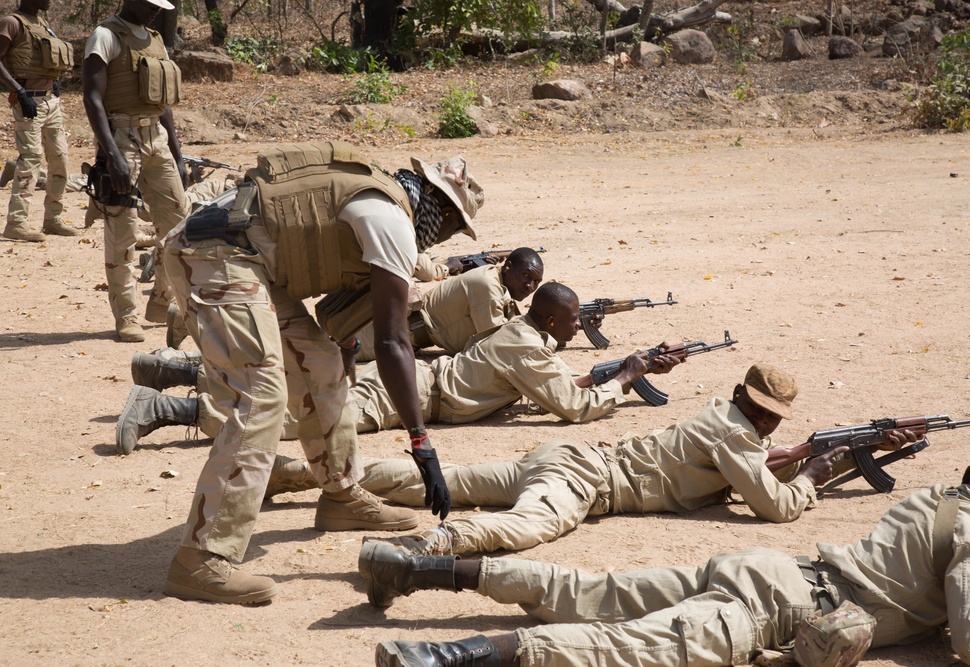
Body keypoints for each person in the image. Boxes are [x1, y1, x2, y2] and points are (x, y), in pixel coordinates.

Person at [158, 141, 483, 605]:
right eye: (453, 229)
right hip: (212, 254)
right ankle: (201, 559)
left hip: (247, 259)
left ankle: (340, 493)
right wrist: (420, 441)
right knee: (262, 396)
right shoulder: (392, 220)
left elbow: (331, 269)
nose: (445, 239)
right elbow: (393, 342)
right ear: (446, 215)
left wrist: (346, 343)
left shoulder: (382, 198)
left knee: (322, 362)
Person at [361, 439, 970, 667]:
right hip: (784, 609)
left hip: (773, 567)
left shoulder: (937, 499)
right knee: (628, 645)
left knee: (588, 592)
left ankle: (419, 568)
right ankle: (442, 657)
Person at [348, 363, 918, 557]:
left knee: (446, 480)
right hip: (584, 480)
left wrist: (828, 452)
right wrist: (817, 471)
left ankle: (317, 472)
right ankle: (431, 547)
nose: (767, 422)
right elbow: (775, 508)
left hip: (569, 457)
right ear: (749, 401)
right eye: (764, 412)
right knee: (532, 524)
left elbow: (751, 460)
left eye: (773, 415)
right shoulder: (739, 438)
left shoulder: (725, 413)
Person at [114, 280, 678, 454]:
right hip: (406, 394)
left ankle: (176, 371)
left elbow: (560, 383)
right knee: (303, 418)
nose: (580, 328)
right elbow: (573, 407)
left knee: (295, 387)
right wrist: (627, 376)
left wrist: (626, 367)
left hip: (416, 383)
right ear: (552, 321)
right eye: (575, 320)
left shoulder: (526, 338)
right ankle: (169, 406)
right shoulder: (527, 346)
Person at [82, 0, 189, 342]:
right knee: (123, 231)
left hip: (155, 136)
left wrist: (178, 153)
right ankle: (126, 315)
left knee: (178, 223)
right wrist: (112, 155)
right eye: (151, 3)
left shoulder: (156, 39)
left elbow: (163, 103)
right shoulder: (106, 36)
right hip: (121, 136)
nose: (157, 9)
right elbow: (92, 97)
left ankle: (161, 301)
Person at [355, 247, 544, 361]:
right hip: (392, 333)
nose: (530, 286)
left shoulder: (496, 281)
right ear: (508, 267)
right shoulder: (488, 286)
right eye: (526, 276)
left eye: (536, 281)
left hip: (403, 332)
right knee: (332, 350)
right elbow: (496, 345)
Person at [0, 0, 76, 242]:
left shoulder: (42, 23)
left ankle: (52, 219)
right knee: (30, 160)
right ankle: (16, 224)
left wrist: (53, 82)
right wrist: (20, 93)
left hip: (50, 102)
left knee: (60, 160)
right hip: (28, 102)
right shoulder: (12, 23)